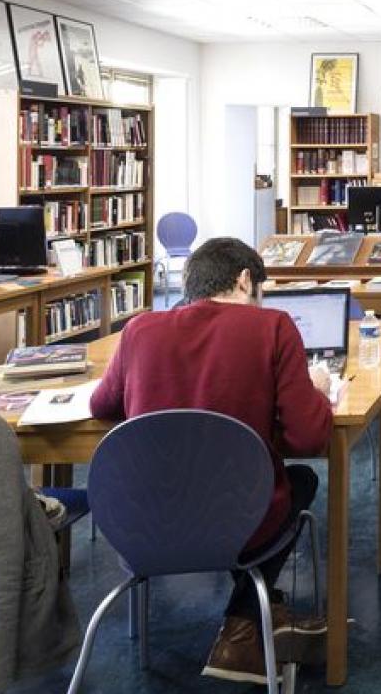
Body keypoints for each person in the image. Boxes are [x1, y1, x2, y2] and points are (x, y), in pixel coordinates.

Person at [89, 237, 335, 684]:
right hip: (240, 521)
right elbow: (310, 435)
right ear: (245, 281)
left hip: (144, 524)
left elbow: (102, 407)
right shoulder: (274, 328)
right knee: (299, 481)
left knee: (220, 491)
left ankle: (262, 613)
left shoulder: (139, 330)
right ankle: (245, 622)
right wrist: (314, 388)